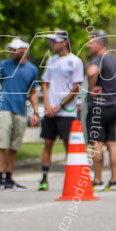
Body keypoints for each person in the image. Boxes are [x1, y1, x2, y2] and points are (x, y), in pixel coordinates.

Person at [0, 38, 39, 191]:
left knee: (15, 145)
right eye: (12, 49)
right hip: (4, 108)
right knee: (2, 143)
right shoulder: (4, 65)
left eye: (16, 49)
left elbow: (33, 91)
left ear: (25, 49)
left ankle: (9, 177)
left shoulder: (32, 69)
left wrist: (35, 112)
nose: (13, 51)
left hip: (21, 110)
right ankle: (0, 178)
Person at [38, 30, 83, 191]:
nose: (52, 45)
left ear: (64, 42)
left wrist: (59, 106)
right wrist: (48, 105)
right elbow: (45, 83)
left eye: (55, 41)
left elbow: (76, 87)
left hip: (66, 112)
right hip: (50, 111)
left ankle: (74, 177)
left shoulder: (75, 61)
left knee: (68, 144)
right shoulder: (51, 61)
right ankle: (44, 178)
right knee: (48, 143)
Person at [85, 31, 116, 191]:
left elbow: (91, 72)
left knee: (97, 143)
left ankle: (98, 180)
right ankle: (114, 180)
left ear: (101, 44)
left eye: (91, 43)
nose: (88, 45)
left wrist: (92, 87)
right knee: (112, 143)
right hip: (113, 106)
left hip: (98, 106)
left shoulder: (99, 59)